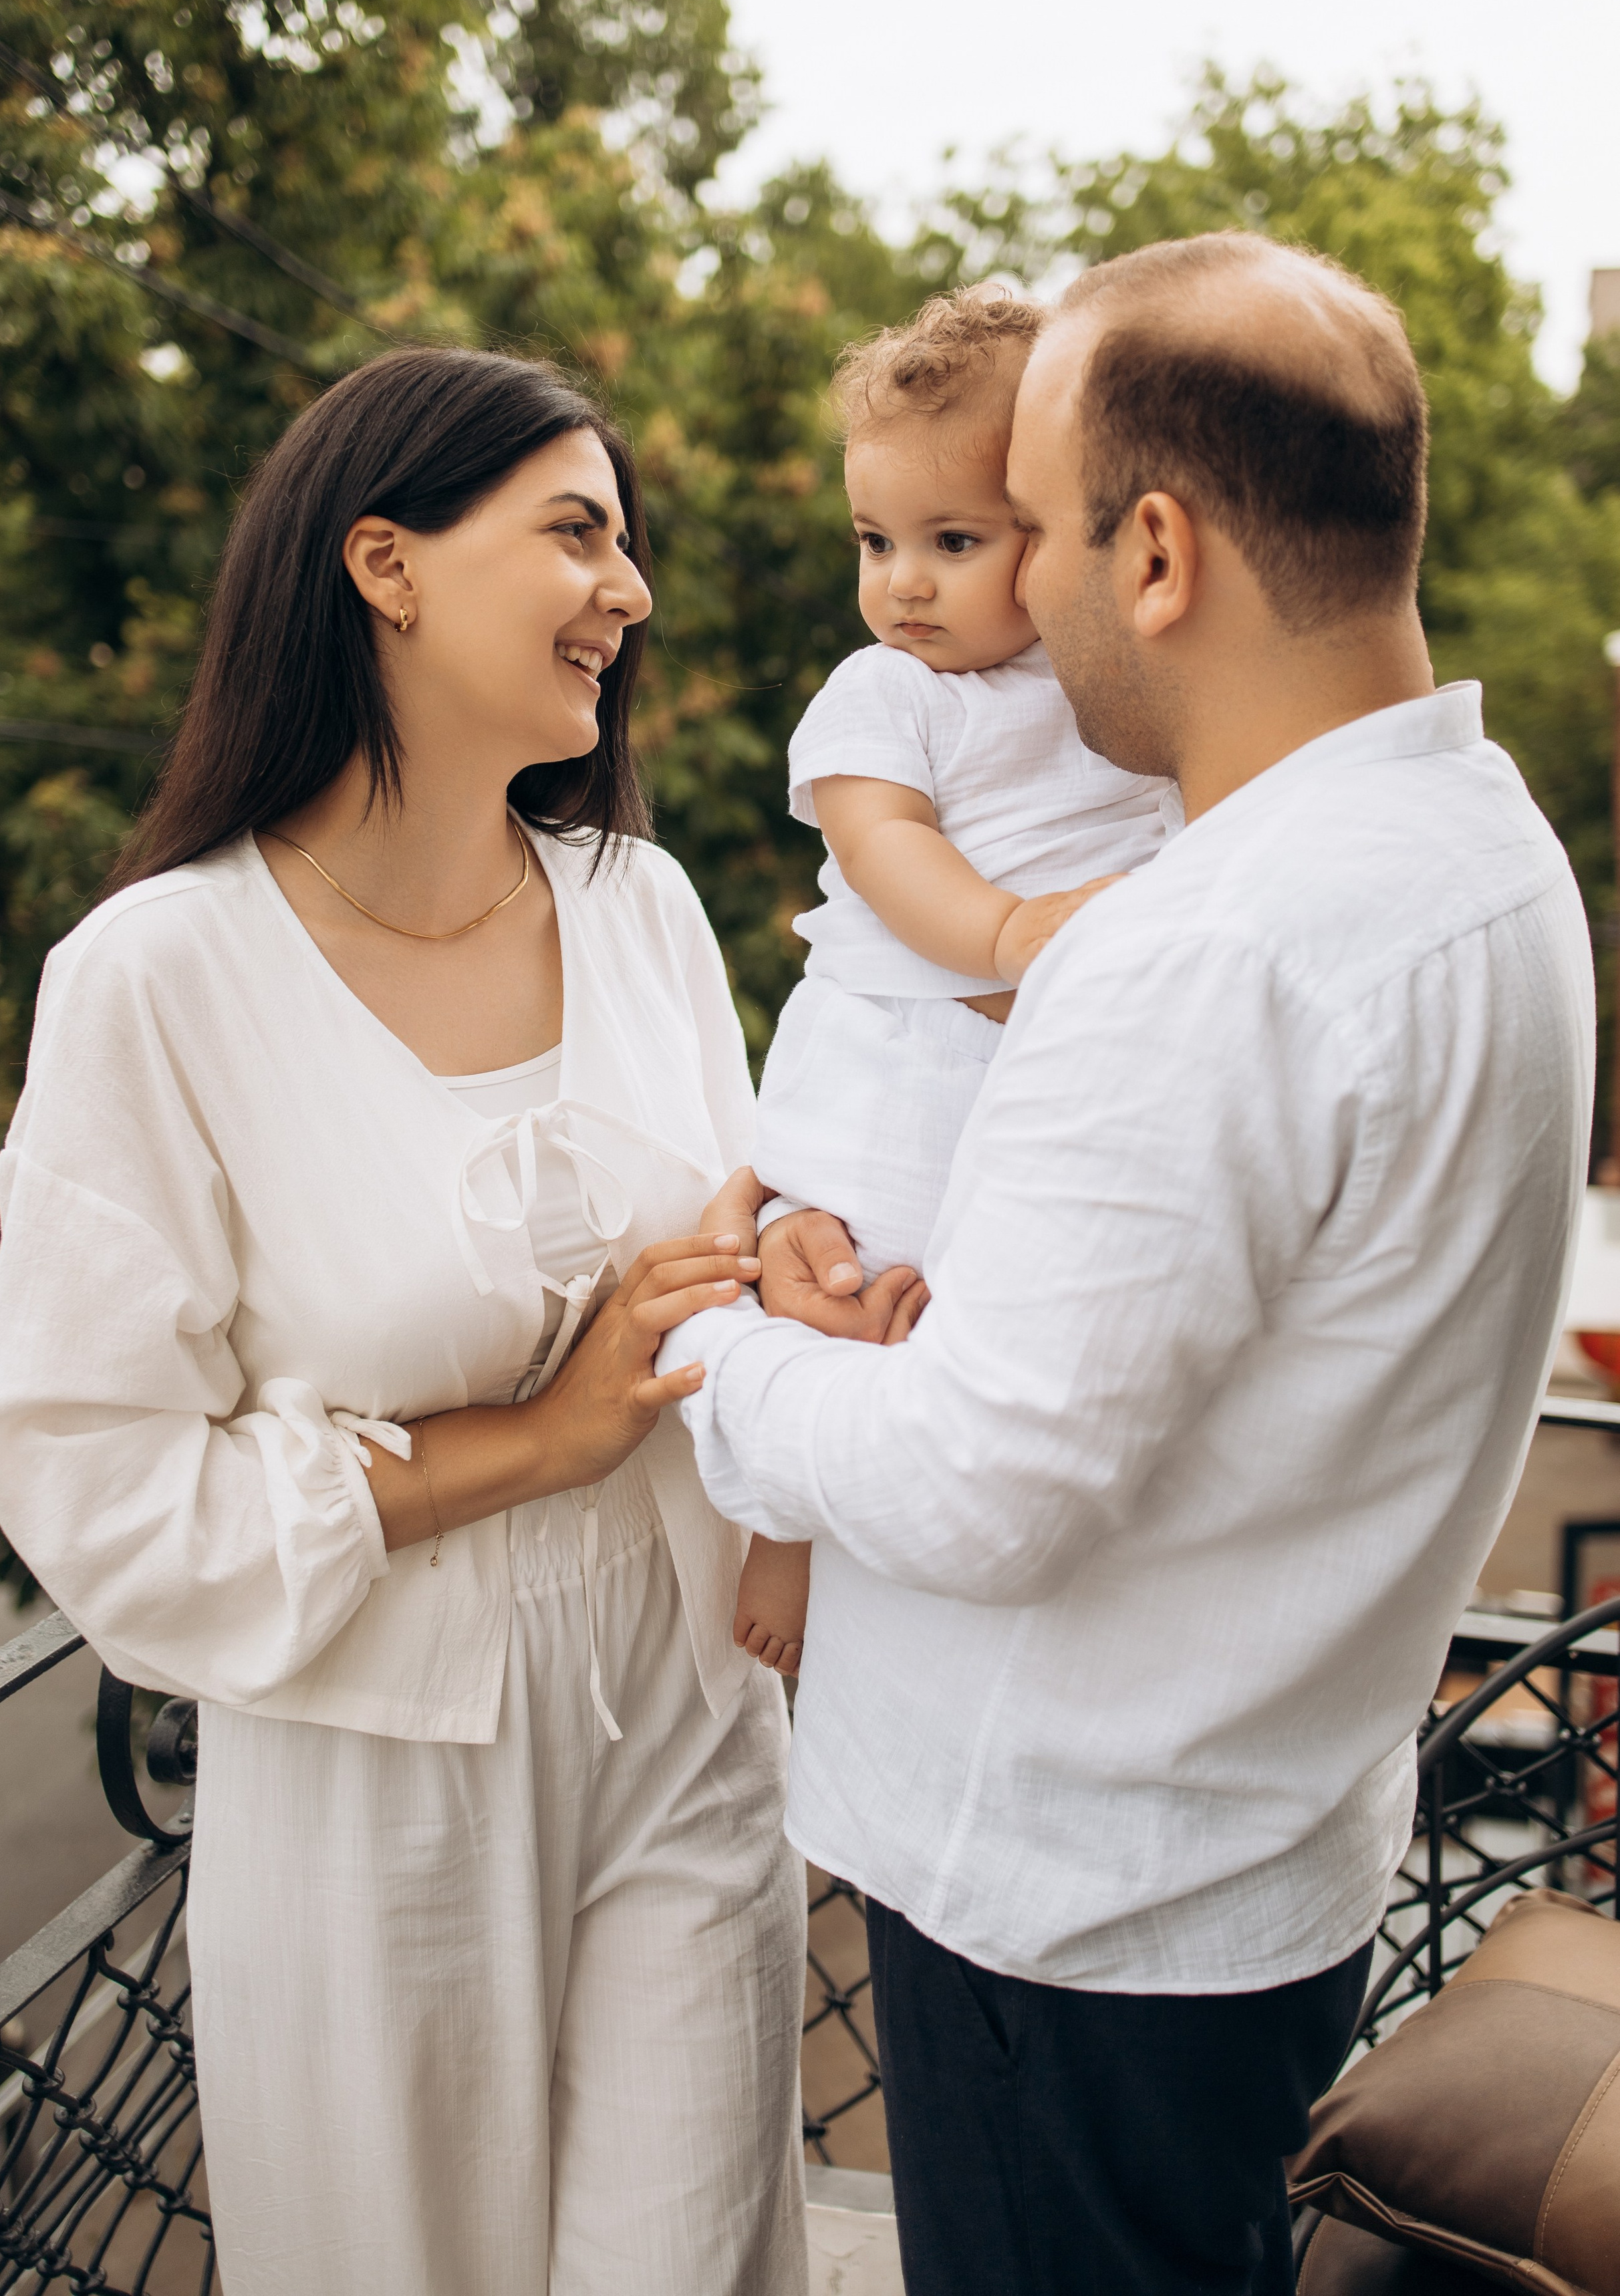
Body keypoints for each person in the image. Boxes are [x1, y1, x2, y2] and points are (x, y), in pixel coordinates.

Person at [671, 233, 1596, 2295]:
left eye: (1046, 531)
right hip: (1256, 1855)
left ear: (1157, 551)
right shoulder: (1487, 850)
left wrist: (731, 1356)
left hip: (1069, 1908)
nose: (1013, 599)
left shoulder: (1201, 952)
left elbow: (986, 1483)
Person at [0, 348, 809, 2296]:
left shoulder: (646, 910)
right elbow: (95, 1481)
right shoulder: (159, 978)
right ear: (387, 563)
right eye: (577, 533)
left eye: (627, 544)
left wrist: (817, 1290)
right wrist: (541, 1436)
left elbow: (738, 1256)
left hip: (693, 1726)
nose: (634, 592)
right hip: (371, 1782)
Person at [734, 286, 1169, 1677]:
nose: (901, 582)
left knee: (977, 1309)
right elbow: (880, 845)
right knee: (853, 1276)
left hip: (1019, 1063)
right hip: (892, 1044)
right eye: (874, 541)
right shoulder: (887, 693)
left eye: (952, 541)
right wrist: (1004, 938)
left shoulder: (1106, 691)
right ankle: (782, 1530)